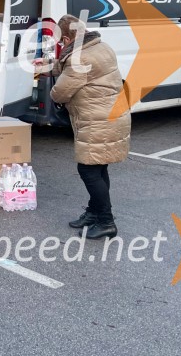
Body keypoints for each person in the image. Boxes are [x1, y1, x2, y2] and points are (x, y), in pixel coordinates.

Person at [49, 14, 130, 240]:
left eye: (60, 40)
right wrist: (51, 69)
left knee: (88, 169)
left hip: (98, 120)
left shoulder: (80, 59)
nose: (60, 44)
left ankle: (106, 221)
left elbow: (61, 91)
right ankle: (94, 213)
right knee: (99, 168)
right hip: (112, 116)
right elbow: (69, 67)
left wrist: (52, 90)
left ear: (67, 37)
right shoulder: (101, 46)